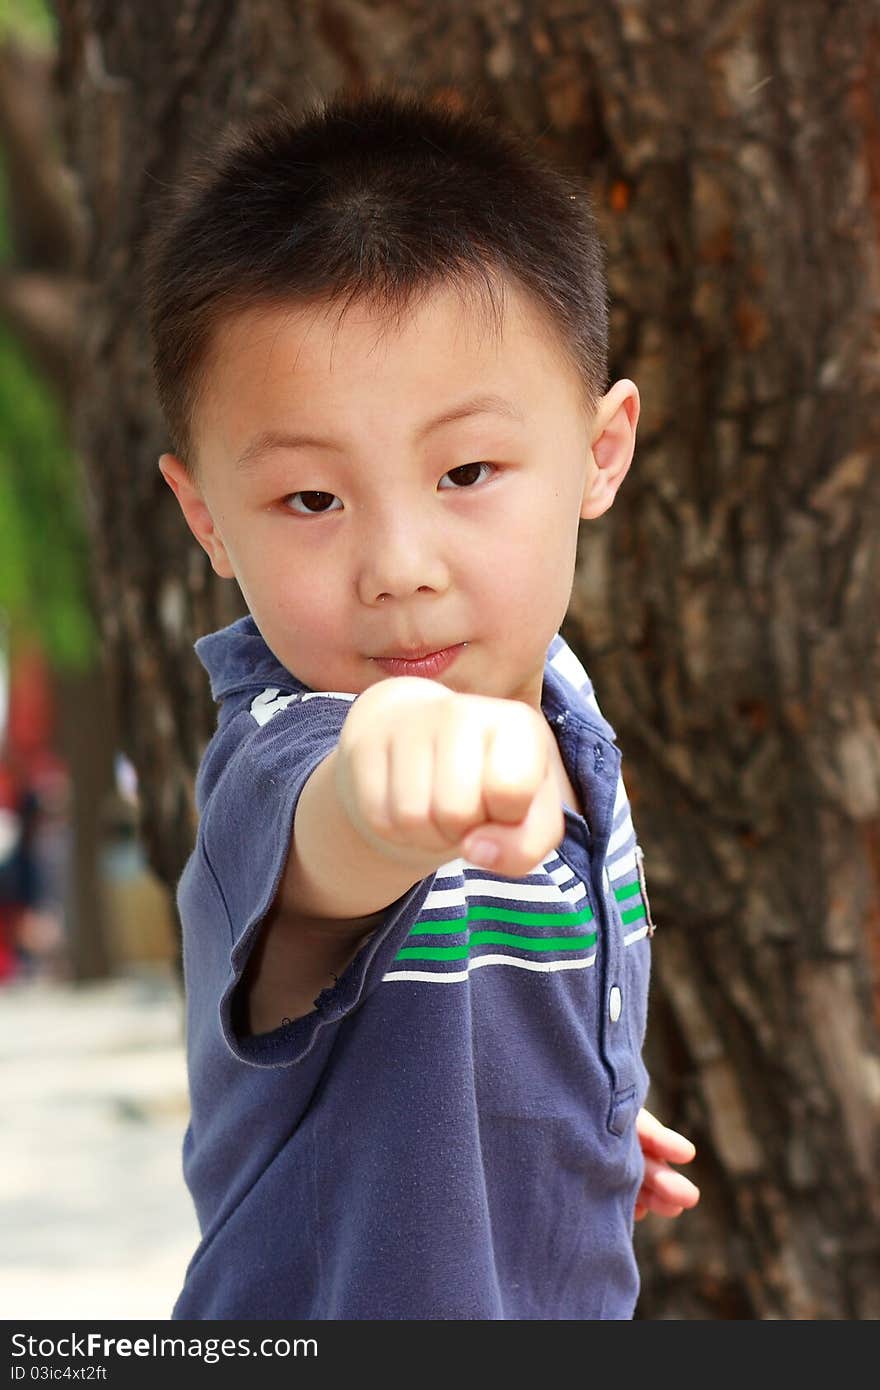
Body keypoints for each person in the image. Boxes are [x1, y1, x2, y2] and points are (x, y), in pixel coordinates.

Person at [146, 85, 699, 1321]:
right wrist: (386, 783)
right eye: (310, 500)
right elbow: (339, 843)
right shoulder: (288, 759)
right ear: (205, 516)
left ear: (600, 451)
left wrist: (572, 1113)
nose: (398, 561)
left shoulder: (560, 699)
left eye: (465, 472)